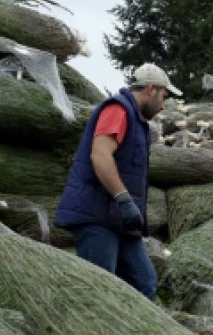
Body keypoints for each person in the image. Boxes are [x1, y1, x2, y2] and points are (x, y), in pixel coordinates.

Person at [53, 63, 181, 299]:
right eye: (164, 96)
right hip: (97, 217)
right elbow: (100, 155)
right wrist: (123, 199)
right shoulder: (118, 110)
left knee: (145, 284)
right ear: (151, 89)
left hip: (120, 220)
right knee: (98, 291)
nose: (163, 105)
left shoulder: (137, 120)